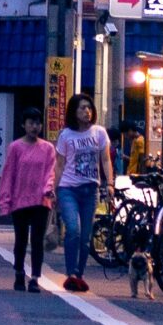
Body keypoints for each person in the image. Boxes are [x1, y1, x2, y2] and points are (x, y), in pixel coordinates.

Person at [53, 94, 114, 293]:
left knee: (86, 236)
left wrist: (110, 184)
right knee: (74, 230)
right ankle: (71, 273)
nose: (86, 111)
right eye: (82, 108)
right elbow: (60, 164)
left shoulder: (99, 132)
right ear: (73, 111)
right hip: (68, 188)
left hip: (91, 189)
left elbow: (105, 160)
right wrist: (54, 189)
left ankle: (79, 274)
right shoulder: (66, 135)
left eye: (89, 107)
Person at [0, 108, 58, 292]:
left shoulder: (48, 148)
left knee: (37, 240)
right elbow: (8, 174)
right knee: (21, 239)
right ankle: (19, 272)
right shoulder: (15, 147)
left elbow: (51, 172)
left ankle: (35, 278)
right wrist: (5, 200)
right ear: (23, 125)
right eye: (31, 123)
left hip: (41, 200)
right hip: (19, 200)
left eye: (38, 123)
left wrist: (49, 189)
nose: (35, 127)